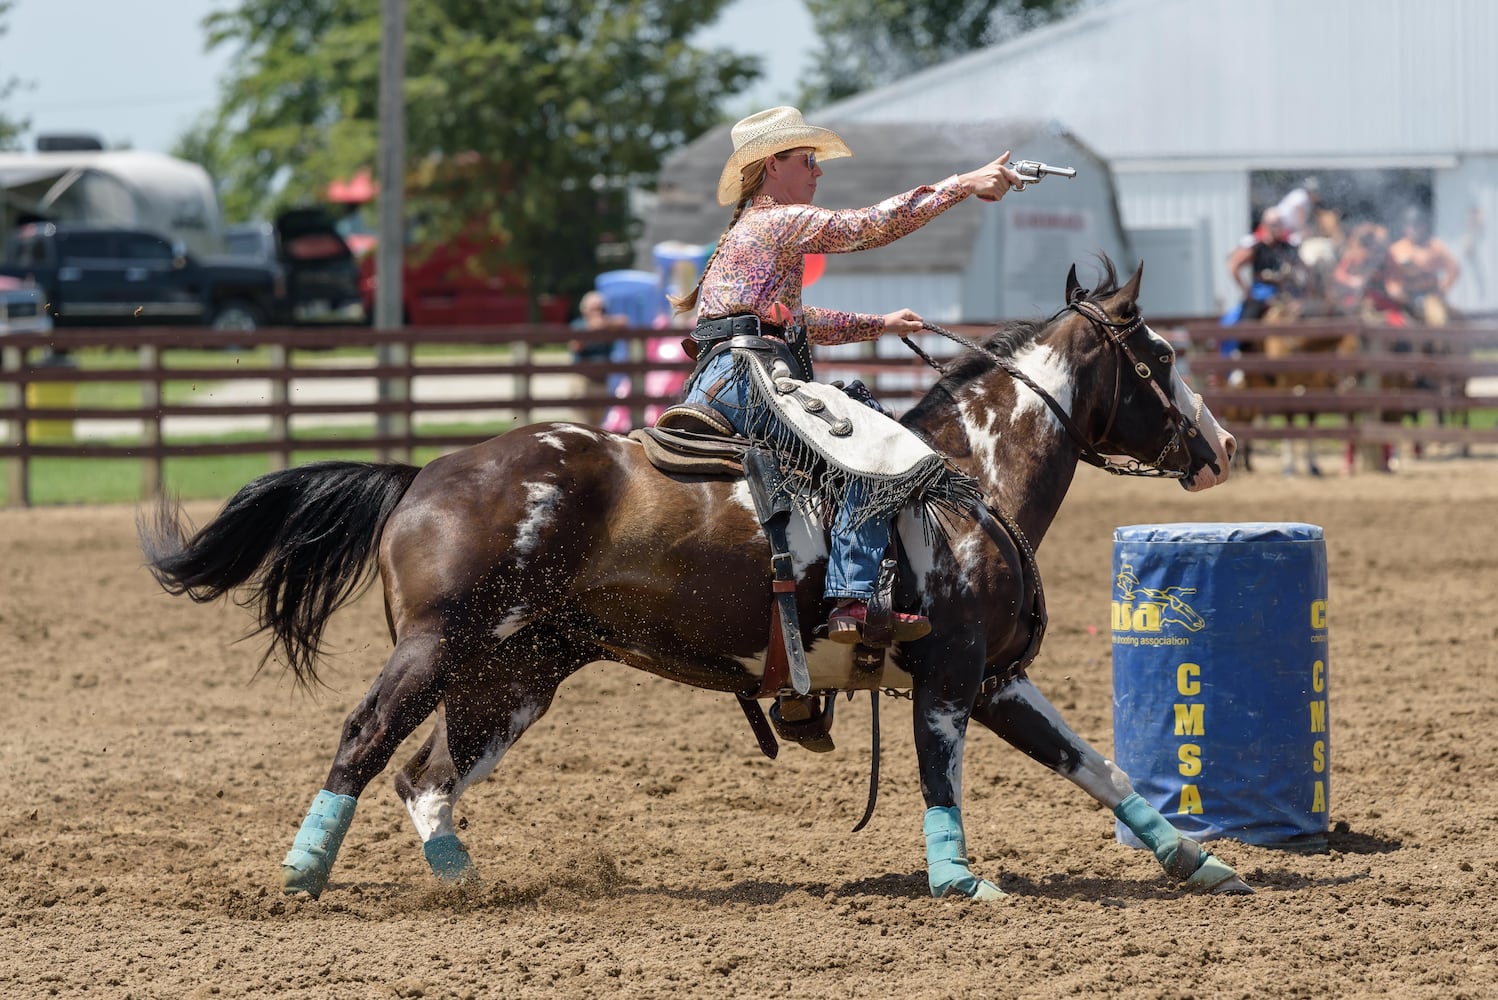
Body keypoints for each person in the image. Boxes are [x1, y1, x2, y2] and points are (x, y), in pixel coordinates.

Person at [672, 106, 1023, 650]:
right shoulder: (778, 222)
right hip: (751, 378)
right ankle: (853, 599)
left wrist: (878, 324)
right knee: (877, 451)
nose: (818, 171)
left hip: (720, 379)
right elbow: (870, 227)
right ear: (772, 166)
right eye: (807, 159)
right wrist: (963, 184)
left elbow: (799, 322)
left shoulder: (751, 231)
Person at [1383, 207, 1461, 326]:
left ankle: (1438, 343)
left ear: (1424, 226)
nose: (1414, 229)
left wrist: (1443, 287)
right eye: (1410, 226)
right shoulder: (1397, 249)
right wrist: (1395, 291)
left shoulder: (1435, 247)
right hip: (1405, 298)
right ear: (1405, 228)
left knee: (1438, 321)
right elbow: (1390, 275)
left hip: (1429, 295)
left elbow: (1453, 268)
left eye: (1417, 225)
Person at [1225, 207, 1304, 323]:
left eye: (1280, 223)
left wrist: (1305, 291)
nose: (1278, 227)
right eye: (1274, 224)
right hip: (1263, 292)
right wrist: (1246, 291)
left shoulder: (1287, 247)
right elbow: (1233, 265)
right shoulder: (1257, 246)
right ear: (1265, 225)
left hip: (1285, 291)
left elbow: (1304, 268)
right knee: (1248, 323)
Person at [569, 290, 627, 426]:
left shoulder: (608, 325)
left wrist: (603, 324)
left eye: (602, 309)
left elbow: (623, 321)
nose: (599, 312)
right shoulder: (578, 325)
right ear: (584, 310)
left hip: (602, 382)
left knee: (597, 427)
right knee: (581, 426)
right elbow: (575, 346)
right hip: (583, 382)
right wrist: (592, 328)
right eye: (594, 309)